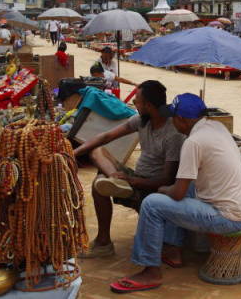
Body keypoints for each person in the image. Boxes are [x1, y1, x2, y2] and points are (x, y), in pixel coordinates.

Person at [110, 93, 241, 293]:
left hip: (227, 218)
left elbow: (177, 194)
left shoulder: (193, 142)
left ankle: (150, 272)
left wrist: (161, 189)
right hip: (240, 210)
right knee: (186, 186)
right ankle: (173, 249)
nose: (171, 123)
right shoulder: (216, 127)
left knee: (152, 203)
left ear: (181, 120)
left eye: (172, 118)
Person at [73, 80, 185, 259]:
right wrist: (73, 153)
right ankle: (115, 180)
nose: (134, 105)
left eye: (136, 102)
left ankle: (104, 242)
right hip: (134, 177)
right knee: (97, 151)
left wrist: (134, 181)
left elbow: (167, 179)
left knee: (97, 184)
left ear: (148, 105)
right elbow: (106, 136)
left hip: (152, 187)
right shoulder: (142, 120)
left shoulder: (172, 134)